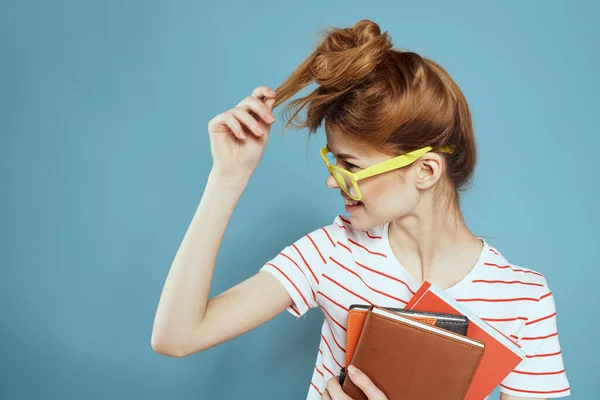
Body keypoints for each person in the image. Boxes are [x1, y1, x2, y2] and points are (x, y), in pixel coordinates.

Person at [151, 19, 570, 400]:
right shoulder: (331, 253)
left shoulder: (522, 300)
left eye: (351, 166)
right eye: (333, 161)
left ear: (425, 170)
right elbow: (177, 336)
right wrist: (227, 177)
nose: (334, 181)